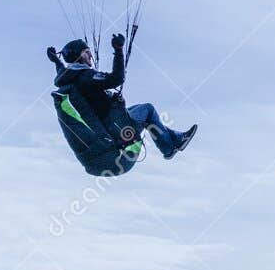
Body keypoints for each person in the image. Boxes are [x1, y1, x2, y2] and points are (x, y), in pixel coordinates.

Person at [48, 32, 196, 176]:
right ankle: (168, 149)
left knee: (138, 110)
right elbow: (116, 79)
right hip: (116, 142)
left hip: (107, 130)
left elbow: (63, 72)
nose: (90, 56)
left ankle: (176, 138)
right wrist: (118, 50)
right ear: (79, 56)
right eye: (87, 52)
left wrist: (57, 61)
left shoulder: (71, 78)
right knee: (148, 110)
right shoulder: (86, 76)